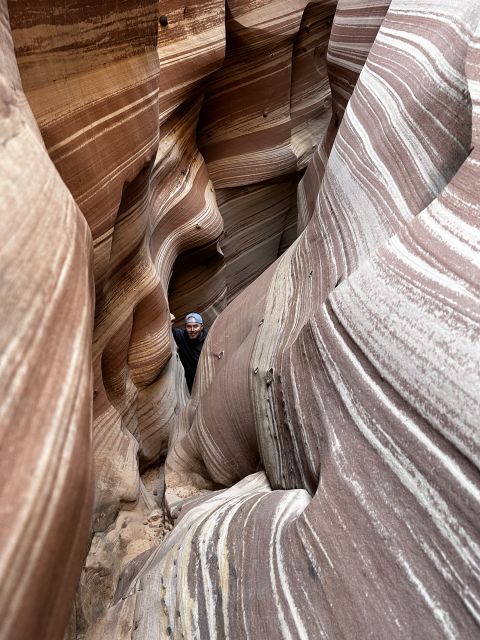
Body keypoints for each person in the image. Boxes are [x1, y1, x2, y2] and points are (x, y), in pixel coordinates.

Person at [172, 312, 208, 392]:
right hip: (187, 384)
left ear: (201, 327)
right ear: (185, 327)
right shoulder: (181, 336)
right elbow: (167, 330)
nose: (192, 330)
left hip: (206, 379)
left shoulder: (208, 338)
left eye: (195, 326)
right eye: (189, 326)